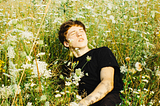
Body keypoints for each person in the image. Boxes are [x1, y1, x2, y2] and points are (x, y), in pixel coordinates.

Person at [58, 20, 123, 106]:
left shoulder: (102, 52)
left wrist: (82, 103)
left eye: (81, 31)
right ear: (66, 43)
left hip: (107, 100)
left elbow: (107, 83)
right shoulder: (68, 67)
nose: (79, 34)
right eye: (73, 33)